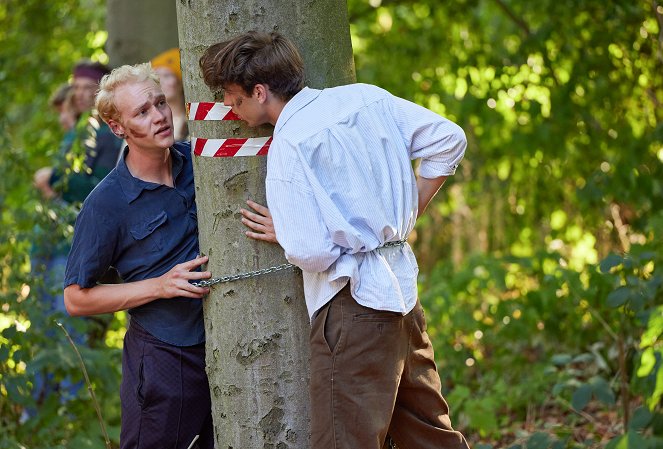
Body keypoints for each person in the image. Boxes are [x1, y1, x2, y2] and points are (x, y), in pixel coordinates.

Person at [200, 31, 472, 449]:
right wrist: (404, 212)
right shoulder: (366, 98)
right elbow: (448, 138)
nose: (232, 111)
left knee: (344, 442)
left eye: (235, 99)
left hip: (353, 307)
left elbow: (313, 250)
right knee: (430, 437)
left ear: (260, 91)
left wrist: (289, 232)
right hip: (403, 296)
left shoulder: (289, 144)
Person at [63, 63, 213, 449]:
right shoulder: (106, 203)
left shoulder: (202, 163)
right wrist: (160, 286)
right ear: (118, 128)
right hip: (165, 358)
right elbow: (76, 298)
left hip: (226, 347)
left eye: (160, 103)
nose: (159, 117)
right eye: (142, 112)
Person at [151, 47, 188, 141]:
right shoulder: (145, 122)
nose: (160, 81)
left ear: (180, 82)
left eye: (167, 76)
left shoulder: (193, 121)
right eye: (156, 76)